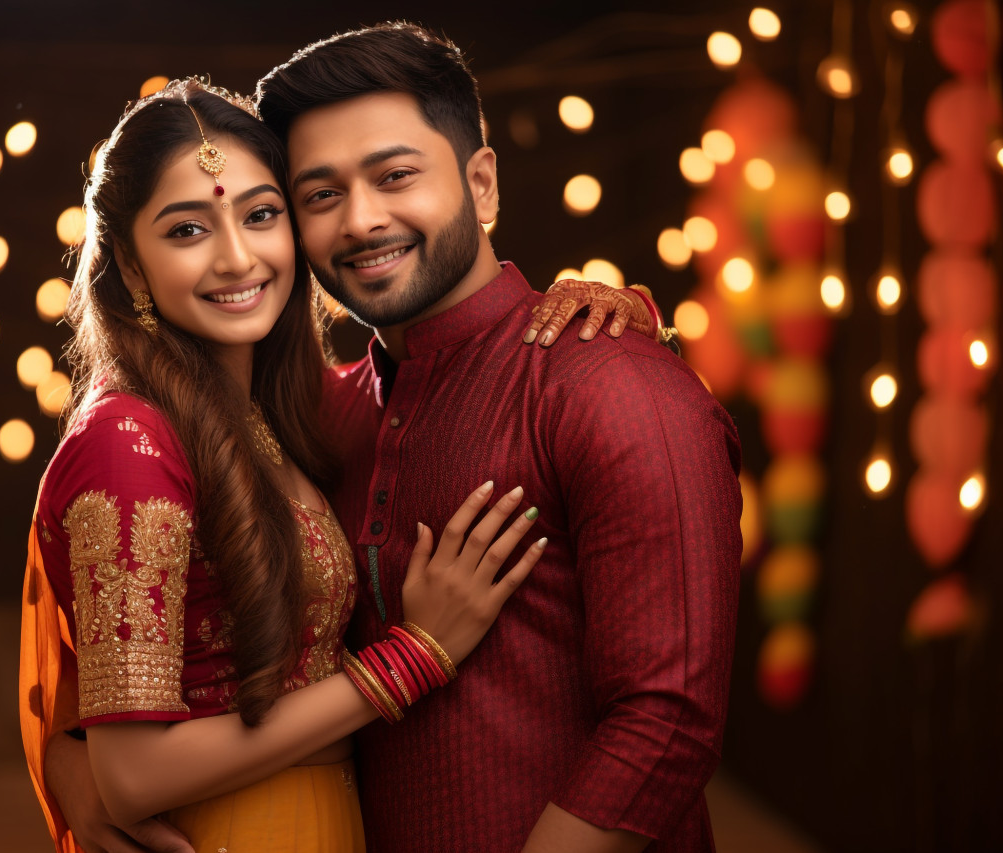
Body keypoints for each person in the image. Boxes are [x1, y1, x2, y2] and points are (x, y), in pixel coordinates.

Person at [20, 77, 654, 853]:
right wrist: (414, 657)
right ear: (129, 259)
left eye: (260, 215)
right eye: (187, 230)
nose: (236, 256)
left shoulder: (287, 416)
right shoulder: (130, 439)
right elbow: (132, 776)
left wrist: (613, 322)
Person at [252, 23, 742, 853]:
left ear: (481, 185)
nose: (362, 220)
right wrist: (74, 758)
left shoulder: (610, 385)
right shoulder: (320, 415)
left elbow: (668, 724)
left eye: (396, 175)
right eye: (320, 194)